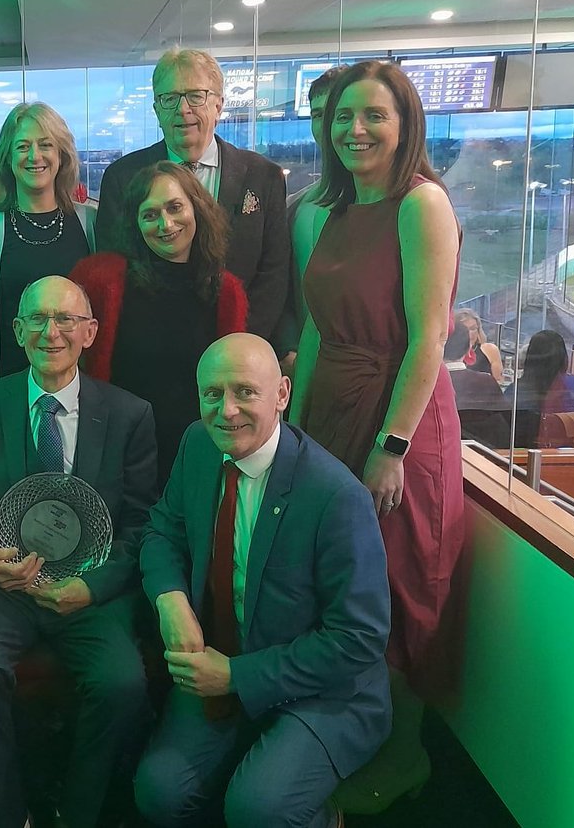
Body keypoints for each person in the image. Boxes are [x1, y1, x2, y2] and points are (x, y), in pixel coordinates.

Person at [290, 59, 466, 813]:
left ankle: (406, 754)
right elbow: (312, 329)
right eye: (342, 118)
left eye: (375, 116)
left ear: (406, 125)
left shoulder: (421, 202)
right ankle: (349, 734)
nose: (355, 130)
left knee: (400, 583)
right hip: (328, 408)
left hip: (399, 416)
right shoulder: (326, 209)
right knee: (339, 585)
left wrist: (391, 447)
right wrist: (291, 433)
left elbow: (431, 336)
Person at [134, 334, 390, 828]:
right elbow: (162, 529)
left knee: (259, 809)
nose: (226, 411)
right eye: (212, 394)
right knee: (159, 794)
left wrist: (235, 677)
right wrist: (170, 599)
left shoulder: (336, 496)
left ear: (282, 395)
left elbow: (359, 640)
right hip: (220, 662)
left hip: (322, 691)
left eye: (245, 392)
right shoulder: (198, 445)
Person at [0, 275, 159, 828]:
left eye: (66, 319)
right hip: (2, 589)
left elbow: (142, 524)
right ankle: (4, 812)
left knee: (123, 682)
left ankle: (78, 813)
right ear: (17, 331)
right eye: (37, 319)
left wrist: (94, 586)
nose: (52, 331)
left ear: (89, 331)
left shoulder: (129, 414)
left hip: (89, 592)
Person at [95, 48, 289, 342]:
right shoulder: (122, 177)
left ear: (219, 105)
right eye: (169, 98)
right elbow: (116, 271)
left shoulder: (264, 177)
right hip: (152, 349)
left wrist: (238, 342)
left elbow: (274, 274)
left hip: (241, 350)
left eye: (196, 96)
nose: (183, 109)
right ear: (157, 110)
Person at [72, 160, 248, 484]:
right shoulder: (101, 280)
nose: (166, 224)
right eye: (150, 214)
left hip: (197, 454)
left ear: (197, 208)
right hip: (120, 455)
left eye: (174, 207)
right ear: (135, 223)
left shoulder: (226, 292)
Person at [0, 102, 95, 378]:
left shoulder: (90, 223)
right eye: (23, 147)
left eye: (45, 145)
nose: (35, 156)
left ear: (61, 155)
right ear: (8, 159)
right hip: (8, 384)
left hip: (80, 387)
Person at [277, 65, 349, 371]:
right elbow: (280, 292)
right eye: (319, 114)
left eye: (340, 112)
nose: (330, 124)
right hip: (310, 377)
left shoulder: (412, 208)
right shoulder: (297, 207)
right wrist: (290, 352)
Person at [512, 328, 574, 447]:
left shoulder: (517, 390)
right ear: (564, 358)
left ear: (529, 357)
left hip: (524, 457)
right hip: (573, 454)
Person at [443, 322, 509, 448]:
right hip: (488, 455)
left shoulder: (428, 384)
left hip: (446, 451)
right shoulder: (486, 381)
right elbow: (507, 419)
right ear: (469, 348)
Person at [454, 308, 503, 382]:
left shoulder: (490, 350)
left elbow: (498, 381)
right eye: (464, 330)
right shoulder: (448, 353)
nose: (469, 333)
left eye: (473, 328)